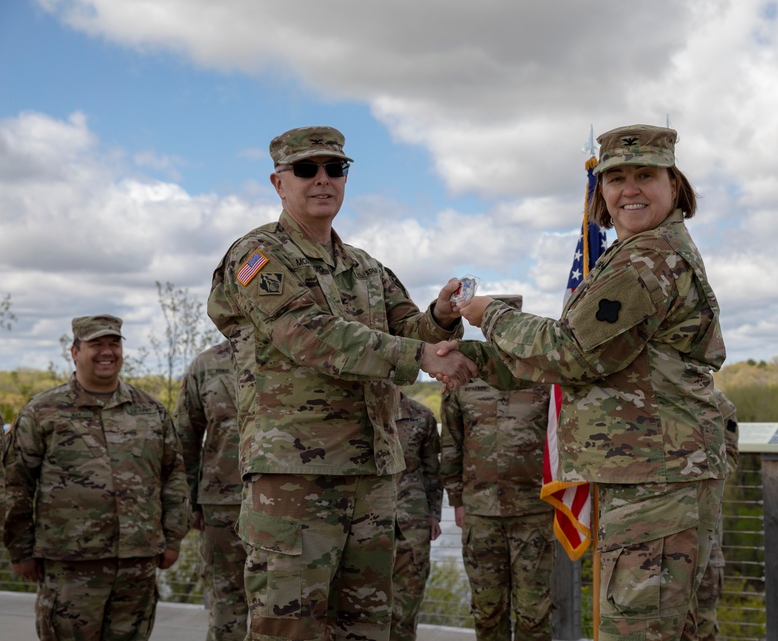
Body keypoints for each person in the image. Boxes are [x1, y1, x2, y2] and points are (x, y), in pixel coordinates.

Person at [457, 124, 727, 641]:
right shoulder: (636, 253)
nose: (630, 190)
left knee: (637, 629)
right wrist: (472, 358)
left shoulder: (648, 260)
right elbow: (589, 362)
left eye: (645, 175)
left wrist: (489, 315)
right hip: (650, 476)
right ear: (600, 191)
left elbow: (571, 352)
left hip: (655, 483)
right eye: (616, 178)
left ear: (674, 184)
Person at [207, 125, 477, 641]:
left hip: (373, 478)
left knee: (366, 627)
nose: (323, 179)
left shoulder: (366, 268)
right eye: (306, 170)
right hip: (294, 480)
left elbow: (409, 333)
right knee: (289, 629)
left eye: (336, 168)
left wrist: (440, 320)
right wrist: (421, 352)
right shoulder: (256, 257)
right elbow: (307, 336)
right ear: (278, 182)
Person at [2, 314, 190, 640]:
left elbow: (173, 476)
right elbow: (13, 483)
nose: (107, 352)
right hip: (70, 565)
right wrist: (20, 549)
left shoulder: (151, 411)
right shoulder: (43, 411)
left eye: (114, 344)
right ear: (75, 352)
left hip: (137, 563)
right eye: (96, 345)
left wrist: (172, 538)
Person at [440, 296, 554, 641]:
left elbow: (561, 440)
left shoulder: (544, 379)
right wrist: (456, 499)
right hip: (480, 512)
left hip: (534, 511)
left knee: (535, 614)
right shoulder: (464, 380)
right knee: (488, 612)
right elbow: (451, 442)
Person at [173, 340, 247, 641]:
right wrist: (188, 501)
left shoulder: (299, 348)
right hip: (223, 507)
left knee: (291, 610)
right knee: (226, 609)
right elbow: (185, 437)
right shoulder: (207, 364)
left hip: (294, 505)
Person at [390, 392, 443, 641]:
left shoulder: (421, 416)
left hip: (412, 523)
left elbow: (433, 471)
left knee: (406, 604)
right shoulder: (354, 410)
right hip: (362, 524)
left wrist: (434, 514)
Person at [693, 389, 739, 641]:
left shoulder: (717, 403)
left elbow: (730, 457)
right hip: (655, 526)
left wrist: (695, 474)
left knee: (703, 621)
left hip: (702, 526)